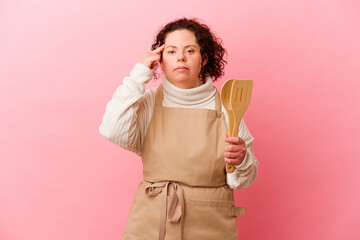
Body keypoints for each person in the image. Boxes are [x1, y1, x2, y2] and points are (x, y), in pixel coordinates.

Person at [99, 18, 259, 240]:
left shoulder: (227, 107)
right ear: (161, 62)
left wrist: (241, 159)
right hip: (152, 223)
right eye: (171, 51)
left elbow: (240, 181)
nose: (181, 57)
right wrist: (139, 74)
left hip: (211, 225)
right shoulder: (148, 103)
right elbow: (112, 129)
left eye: (190, 50)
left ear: (204, 59)